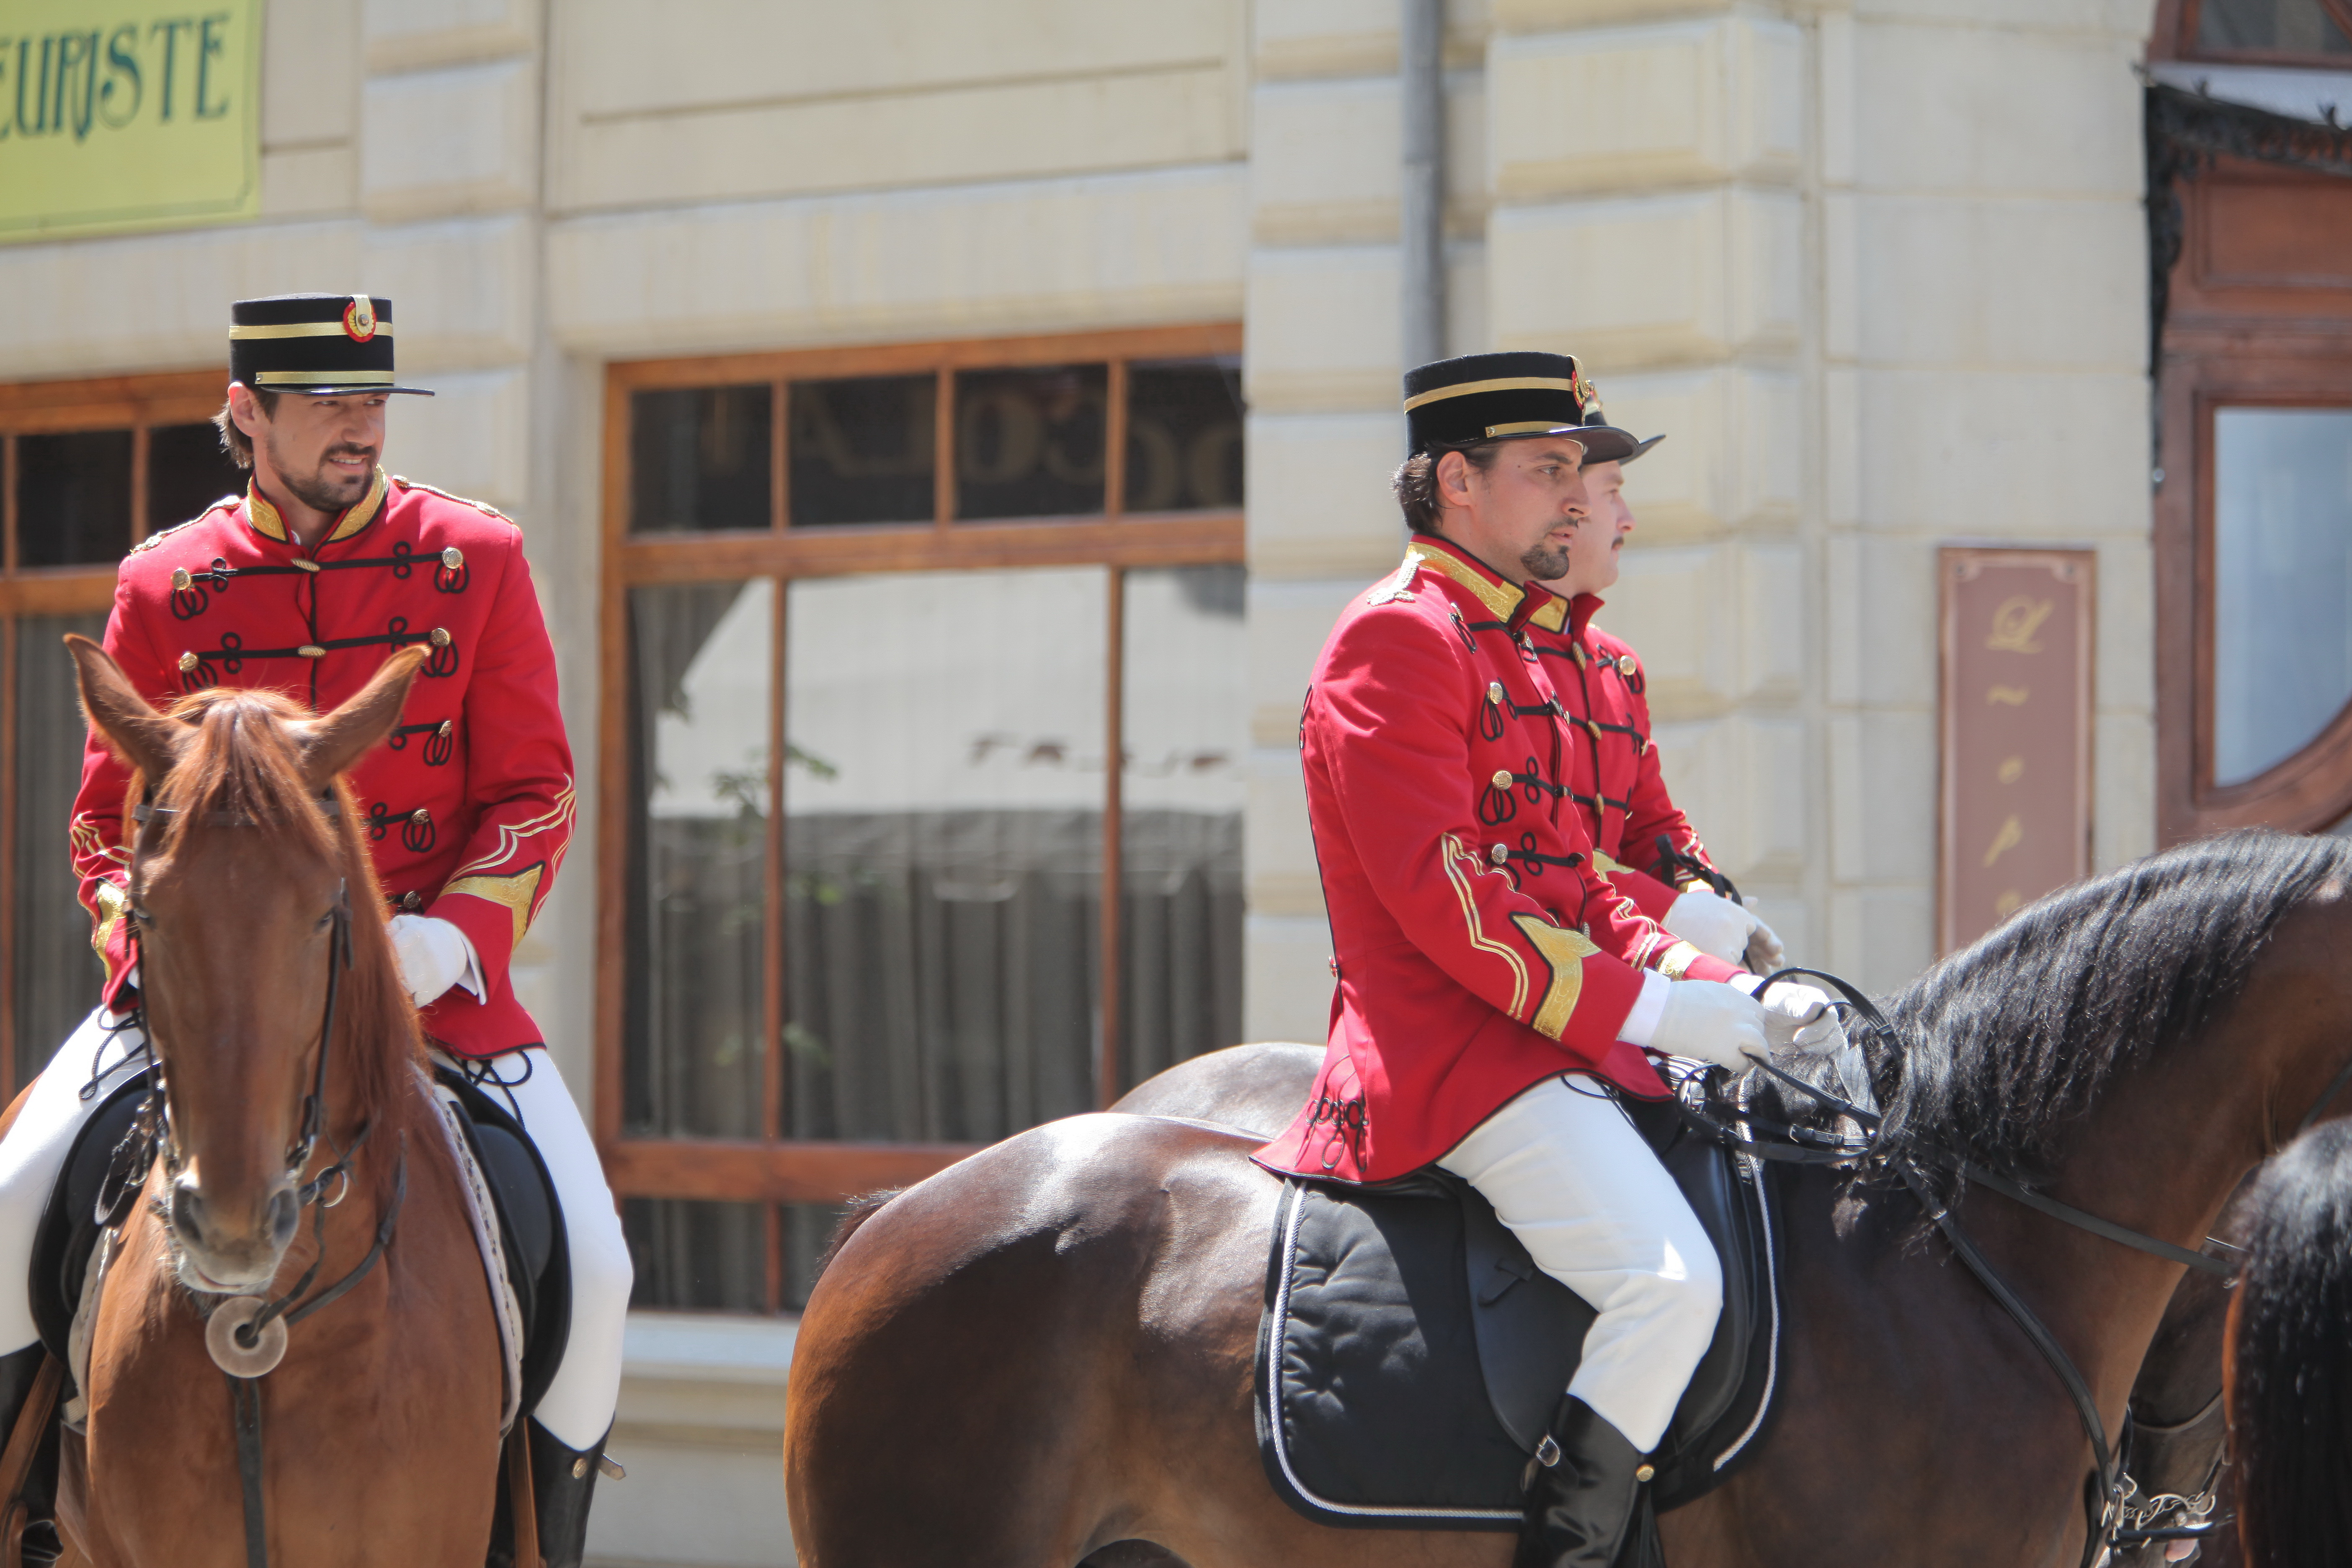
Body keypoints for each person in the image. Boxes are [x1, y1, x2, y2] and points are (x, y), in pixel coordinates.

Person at [0, 294, 628, 1566]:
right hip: (195, 998)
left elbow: (535, 792)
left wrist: (451, 937)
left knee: (602, 1270)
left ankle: (544, 1545)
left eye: (374, 403)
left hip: (436, 996)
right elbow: (97, 833)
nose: (360, 428)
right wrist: (167, 963)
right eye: (328, 405)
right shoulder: (163, 584)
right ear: (248, 415)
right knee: (9, 1200)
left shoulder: (477, 558)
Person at [1255, 351, 1841, 1568]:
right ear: (1456, 483)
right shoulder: (1398, 642)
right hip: (1456, 1051)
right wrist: (1674, 1014)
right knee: (1670, 1281)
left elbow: (1583, 880)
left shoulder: (1530, 643)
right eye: (1549, 470)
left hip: (1564, 1031)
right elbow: (1460, 911)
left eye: (1583, 469)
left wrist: (1734, 986)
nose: (1582, 498)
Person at [1533, 410, 1784, 974]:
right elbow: (1531, 849)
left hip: (1633, 960)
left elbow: (1652, 827)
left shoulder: (1616, 665)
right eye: (1614, 494)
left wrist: (1701, 895)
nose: (1629, 520)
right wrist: (1672, 913)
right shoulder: (1483, 654)